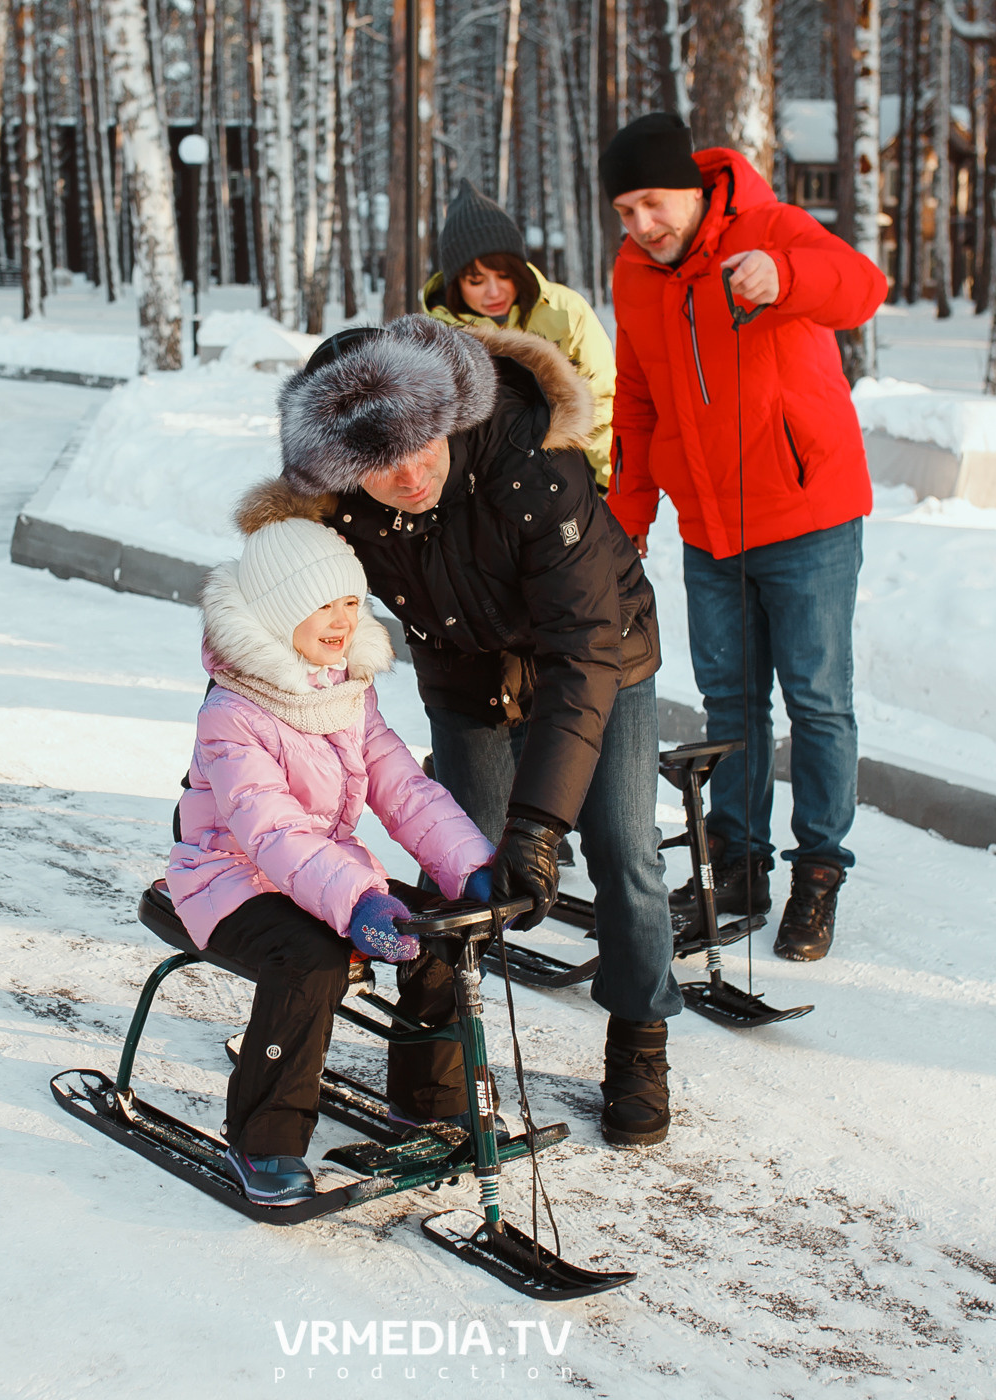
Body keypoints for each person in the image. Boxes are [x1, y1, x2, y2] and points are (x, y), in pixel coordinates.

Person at [259, 314, 681, 1149]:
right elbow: (278, 613)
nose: (407, 475)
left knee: (624, 847)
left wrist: (538, 829)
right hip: (465, 668)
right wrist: (228, 756)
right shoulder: (337, 509)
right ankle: (440, 1056)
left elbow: (581, 653)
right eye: (376, 465)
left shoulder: (533, 465)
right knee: (459, 850)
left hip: (602, 655)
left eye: (419, 445)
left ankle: (640, 1036)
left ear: (446, 419)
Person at [601, 111, 887, 963]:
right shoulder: (633, 274)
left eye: (652, 203)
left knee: (818, 702)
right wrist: (627, 526)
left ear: (691, 189)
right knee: (731, 707)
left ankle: (819, 876)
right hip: (710, 526)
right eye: (624, 212)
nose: (641, 226)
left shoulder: (767, 229)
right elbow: (638, 403)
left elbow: (863, 286)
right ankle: (740, 866)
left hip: (808, 515)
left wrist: (787, 275)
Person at [170, 509, 497, 1207]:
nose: (344, 619)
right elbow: (272, 832)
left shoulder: (347, 691)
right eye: (324, 604)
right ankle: (263, 1141)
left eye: (352, 601)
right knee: (311, 962)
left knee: (438, 931)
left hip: (322, 874)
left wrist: (470, 865)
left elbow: (401, 786)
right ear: (278, 611)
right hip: (227, 879)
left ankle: (428, 1099)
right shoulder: (232, 711)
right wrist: (356, 902)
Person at [425, 180, 616, 489]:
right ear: (455, 283)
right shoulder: (435, 335)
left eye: (504, 275)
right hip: (480, 492)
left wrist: (604, 485)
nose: (494, 291)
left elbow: (603, 401)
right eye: (476, 280)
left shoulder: (565, 311)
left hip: (570, 482)